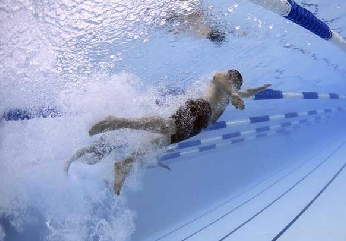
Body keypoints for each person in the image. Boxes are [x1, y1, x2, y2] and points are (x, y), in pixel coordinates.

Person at [68, 70, 271, 195]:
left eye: (237, 86)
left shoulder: (230, 94)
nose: (236, 87)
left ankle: (125, 164)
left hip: (197, 127)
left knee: (160, 142)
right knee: (165, 126)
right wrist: (233, 92)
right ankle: (116, 122)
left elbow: (247, 92)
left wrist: (260, 88)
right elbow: (218, 78)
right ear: (232, 77)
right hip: (199, 108)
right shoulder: (223, 80)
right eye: (235, 83)